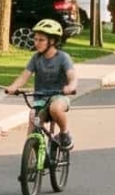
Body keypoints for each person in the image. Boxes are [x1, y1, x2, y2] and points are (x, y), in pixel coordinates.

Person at [4, 18, 78, 147]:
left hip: (59, 97)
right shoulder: (36, 58)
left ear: (52, 41)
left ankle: (64, 133)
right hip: (40, 98)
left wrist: (70, 86)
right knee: (33, 117)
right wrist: (13, 87)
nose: (37, 43)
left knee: (55, 108)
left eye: (41, 40)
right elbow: (24, 76)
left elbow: (72, 76)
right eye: (36, 39)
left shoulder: (63, 57)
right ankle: (32, 154)